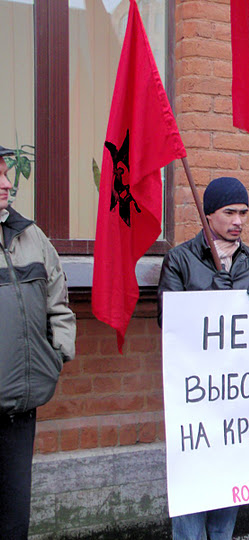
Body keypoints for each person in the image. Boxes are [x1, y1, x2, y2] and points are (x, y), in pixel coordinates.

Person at [157, 176, 249, 540]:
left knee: (227, 485)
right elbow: (167, 319)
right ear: (209, 216)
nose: (238, 220)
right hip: (196, 393)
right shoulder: (179, 259)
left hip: (236, 393)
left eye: (243, 213)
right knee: (193, 490)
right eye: (229, 212)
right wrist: (208, 295)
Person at [0, 144, 76, 540]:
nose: (6, 183)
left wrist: (57, 354)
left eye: (6, 173)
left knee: (14, 516)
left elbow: (58, 301)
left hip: (19, 408)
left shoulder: (31, 235)